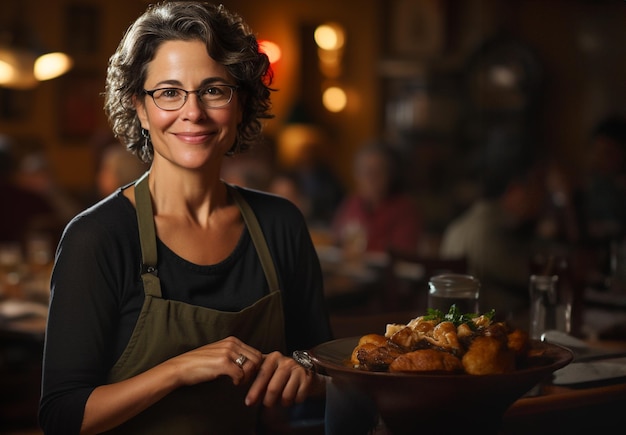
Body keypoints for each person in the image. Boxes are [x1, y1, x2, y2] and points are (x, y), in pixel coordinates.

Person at [38, 2, 332, 434]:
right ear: (139, 106)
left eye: (214, 90)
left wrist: (304, 373)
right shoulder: (97, 237)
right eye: (169, 92)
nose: (193, 112)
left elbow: (328, 367)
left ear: (241, 103)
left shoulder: (280, 223)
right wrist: (178, 369)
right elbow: (62, 416)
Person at [439, 134, 546, 326]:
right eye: (537, 185)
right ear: (516, 190)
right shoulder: (492, 232)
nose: (542, 196)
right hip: (492, 334)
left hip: (459, 333)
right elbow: (541, 281)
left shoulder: (458, 226)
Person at [331, 141, 422, 255]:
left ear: (390, 175)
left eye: (378, 171)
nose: (371, 178)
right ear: (356, 175)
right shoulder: (351, 204)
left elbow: (403, 254)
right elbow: (336, 241)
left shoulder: (405, 210)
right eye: (365, 172)